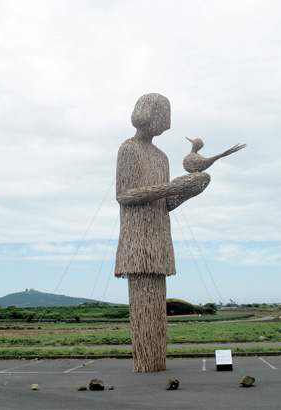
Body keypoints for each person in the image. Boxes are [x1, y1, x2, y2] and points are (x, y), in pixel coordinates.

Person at [115, 93, 210, 372]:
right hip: (138, 238)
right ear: (145, 114)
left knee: (157, 309)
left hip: (159, 237)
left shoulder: (162, 157)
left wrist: (188, 191)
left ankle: (156, 361)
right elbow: (124, 195)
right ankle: (145, 362)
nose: (164, 125)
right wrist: (172, 187)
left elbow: (165, 203)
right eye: (161, 117)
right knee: (143, 307)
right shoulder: (128, 149)